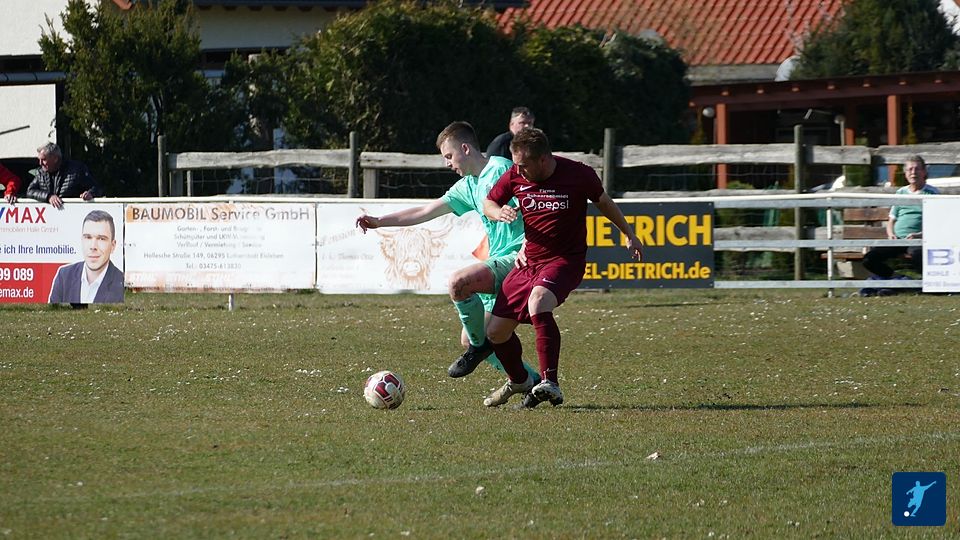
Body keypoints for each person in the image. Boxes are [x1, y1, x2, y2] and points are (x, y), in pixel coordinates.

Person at [356, 121, 540, 386]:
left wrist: (528, 244)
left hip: (521, 259)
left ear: (465, 149)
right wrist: (379, 221)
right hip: (498, 259)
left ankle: (482, 349)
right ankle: (530, 380)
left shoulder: (501, 168)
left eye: (449, 156)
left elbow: (535, 204)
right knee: (471, 337)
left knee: (459, 284)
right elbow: (425, 211)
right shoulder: (468, 186)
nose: (447, 163)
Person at [481, 127, 642, 407]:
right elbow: (489, 202)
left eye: (524, 165)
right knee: (495, 332)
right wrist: (498, 212)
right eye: (516, 164)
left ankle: (550, 382)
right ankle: (520, 380)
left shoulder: (578, 174)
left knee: (539, 300)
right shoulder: (516, 174)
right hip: (528, 262)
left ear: (544, 159)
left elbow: (604, 202)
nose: (519, 170)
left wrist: (628, 233)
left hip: (565, 261)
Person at [862, 155, 939, 280]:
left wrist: (919, 235)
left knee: (918, 255)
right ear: (905, 173)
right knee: (869, 259)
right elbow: (891, 220)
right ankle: (898, 278)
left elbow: (937, 223)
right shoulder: (901, 193)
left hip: (919, 240)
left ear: (924, 172)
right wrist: (891, 234)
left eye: (917, 169)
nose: (913, 172)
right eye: (910, 169)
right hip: (897, 239)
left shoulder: (933, 193)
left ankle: (928, 284)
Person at [49, 210, 124, 304]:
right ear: (82, 240)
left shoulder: (122, 284)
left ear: (112, 246)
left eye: (101, 239)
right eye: (88, 237)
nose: (93, 246)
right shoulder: (64, 276)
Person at [27, 143, 101, 209]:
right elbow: (30, 191)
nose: (40, 163)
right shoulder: (40, 173)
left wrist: (90, 194)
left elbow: (97, 188)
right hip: (50, 217)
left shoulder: (76, 170)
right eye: (39, 160)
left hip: (73, 214)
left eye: (43, 160)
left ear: (55, 159)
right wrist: (48, 196)